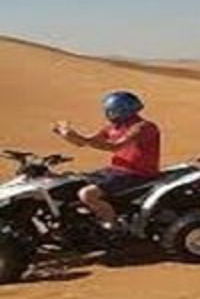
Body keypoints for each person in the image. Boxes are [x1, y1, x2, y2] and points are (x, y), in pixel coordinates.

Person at [53, 91, 161, 231]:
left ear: (122, 110)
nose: (108, 114)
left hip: (137, 174)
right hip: (115, 171)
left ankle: (113, 226)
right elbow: (85, 142)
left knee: (87, 194)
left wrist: (82, 139)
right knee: (73, 183)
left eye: (111, 111)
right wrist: (67, 134)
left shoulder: (143, 127)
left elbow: (114, 146)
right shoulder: (112, 128)